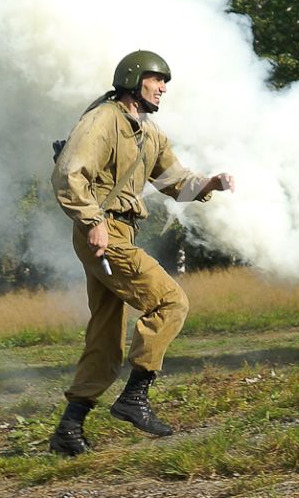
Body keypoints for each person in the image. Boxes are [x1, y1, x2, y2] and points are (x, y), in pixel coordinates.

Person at [48, 50, 232, 457]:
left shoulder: (149, 133)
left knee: (107, 332)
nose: (163, 87)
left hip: (118, 232)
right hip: (102, 230)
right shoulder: (103, 121)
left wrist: (209, 184)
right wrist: (93, 221)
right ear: (134, 80)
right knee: (170, 301)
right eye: (156, 79)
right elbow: (68, 173)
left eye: (164, 82)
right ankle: (135, 396)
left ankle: (69, 429)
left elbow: (175, 182)